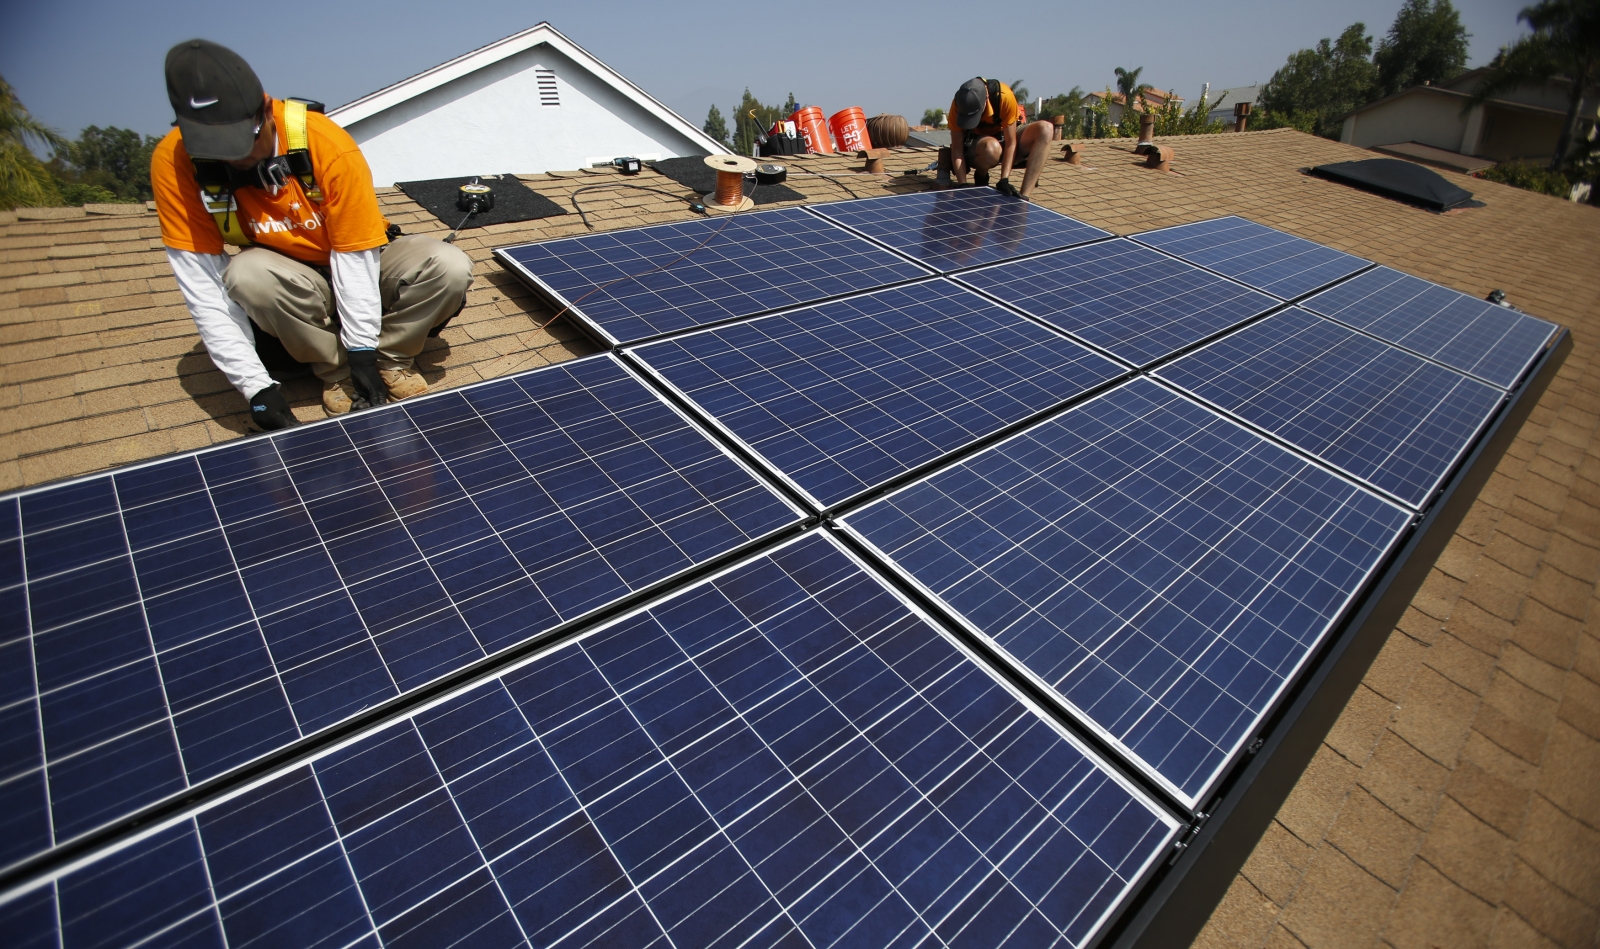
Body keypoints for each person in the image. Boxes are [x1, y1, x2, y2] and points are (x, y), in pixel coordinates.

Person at [152, 39, 474, 431]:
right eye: (220, 150)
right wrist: (255, 389)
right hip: (288, 276)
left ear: (265, 111)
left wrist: (362, 353)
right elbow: (202, 285)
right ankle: (334, 373)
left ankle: (391, 361)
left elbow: (354, 258)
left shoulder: (324, 143)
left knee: (449, 265)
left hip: (362, 258)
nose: (236, 159)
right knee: (246, 274)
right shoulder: (176, 161)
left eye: (245, 143)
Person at [936, 77, 1054, 200]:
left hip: (1007, 141)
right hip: (981, 147)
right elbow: (957, 149)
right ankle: (981, 175)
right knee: (991, 148)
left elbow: (1011, 142)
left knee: (1046, 129)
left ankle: (1024, 197)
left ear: (986, 99)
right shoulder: (958, 104)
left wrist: (1004, 180)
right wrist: (962, 184)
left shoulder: (1004, 96)